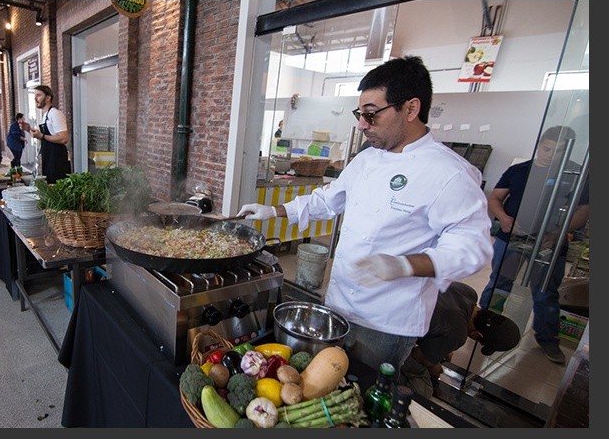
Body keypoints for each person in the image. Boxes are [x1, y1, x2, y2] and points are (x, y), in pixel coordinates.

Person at [237, 56, 493, 374]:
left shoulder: (449, 173)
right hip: (339, 302)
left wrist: (405, 265)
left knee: (363, 390)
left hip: (387, 321)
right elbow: (329, 200)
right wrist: (273, 210)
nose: (362, 125)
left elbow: (473, 248)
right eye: (361, 114)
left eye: (371, 114)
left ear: (411, 109)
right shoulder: (367, 159)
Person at [478, 126, 589, 364]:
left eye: (558, 151)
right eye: (547, 148)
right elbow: (495, 198)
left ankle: (548, 340)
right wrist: (505, 219)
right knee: (500, 283)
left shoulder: (576, 175)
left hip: (549, 244)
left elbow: (584, 209)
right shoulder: (520, 170)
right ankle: (485, 323)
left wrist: (559, 233)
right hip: (512, 240)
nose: (550, 155)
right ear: (540, 145)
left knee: (545, 293)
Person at [398, 282, 521, 398]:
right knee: (424, 391)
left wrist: (442, 347)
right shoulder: (457, 333)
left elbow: (440, 314)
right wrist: (434, 368)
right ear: (477, 334)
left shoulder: (467, 292)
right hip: (389, 329)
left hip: (399, 297)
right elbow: (417, 358)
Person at [30, 85, 70, 183]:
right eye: (35, 96)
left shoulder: (55, 114)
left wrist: (42, 136)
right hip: (48, 157)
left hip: (57, 159)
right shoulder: (45, 115)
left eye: (39, 95)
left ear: (48, 98)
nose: (36, 99)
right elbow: (49, 136)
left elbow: (64, 138)